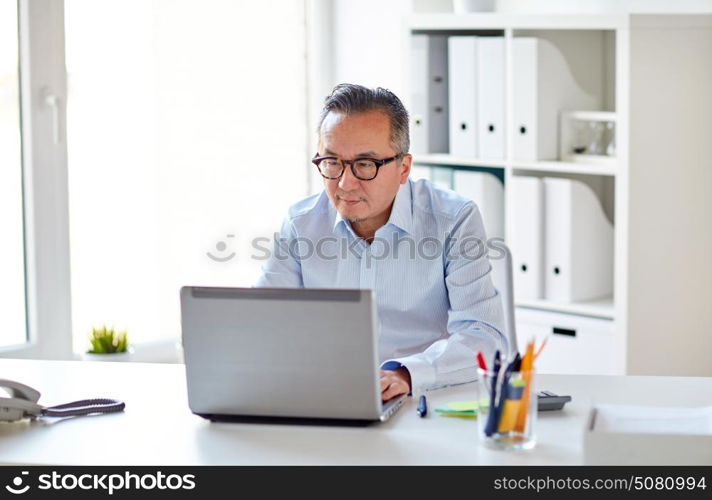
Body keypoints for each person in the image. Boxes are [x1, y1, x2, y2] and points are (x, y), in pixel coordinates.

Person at [255, 83, 506, 401]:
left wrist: (407, 374)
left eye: (365, 164)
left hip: (423, 399)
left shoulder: (454, 219)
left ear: (403, 168)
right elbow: (263, 325)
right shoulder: (300, 222)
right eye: (332, 162)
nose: (345, 183)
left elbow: (484, 335)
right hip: (326, 397)